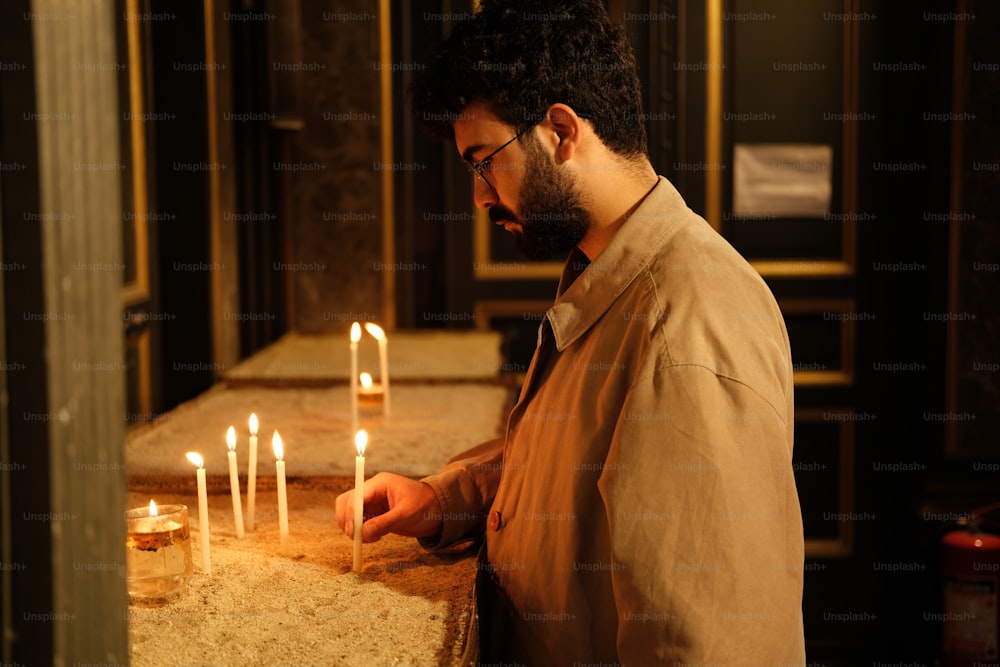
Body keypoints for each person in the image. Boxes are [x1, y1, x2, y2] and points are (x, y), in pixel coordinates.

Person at [335, 1, 807, 664]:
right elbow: (578, 474)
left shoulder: (687, 327)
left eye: (482, 161)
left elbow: (703, 642)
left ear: (560, 130)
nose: (479, 195)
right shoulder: (608, 267)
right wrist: (446, 498)